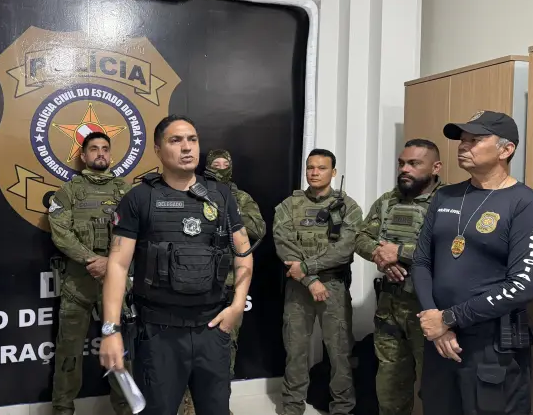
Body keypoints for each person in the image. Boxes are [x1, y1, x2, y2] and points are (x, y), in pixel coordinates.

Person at [98, 115, 255, 415]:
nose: (187, 147)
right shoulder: (139, 198)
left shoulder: (221, 195)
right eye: (176, 140)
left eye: (192, 139)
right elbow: (117, 265)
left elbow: (244, 252)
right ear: (158, 150)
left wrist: (237, 306)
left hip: (212, 329)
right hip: (159, 334)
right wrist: (110, 330)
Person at [412, 111, 533, 415]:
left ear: (506, 149)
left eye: (475, 140)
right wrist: (436, 321)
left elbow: (521, 286)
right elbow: (421, 261)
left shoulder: (527, 204)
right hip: (439, 338)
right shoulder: (445, 196)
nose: (463, 146)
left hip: (491, 347)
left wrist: (449, 318)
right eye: (462, 140)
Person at [354, 139, 444, 415]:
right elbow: (361, 237)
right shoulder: (388, 201)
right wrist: (380, 256)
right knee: (390, 387)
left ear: (435, 168)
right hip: (390, 308)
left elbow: (451, 250)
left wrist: (400, 252)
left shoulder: (449, 203)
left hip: (428, 310)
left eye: (414, 163)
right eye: (401, 163)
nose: (405, 169)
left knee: (436, 388)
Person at [48, 132, 132, 415]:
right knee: (68, 353)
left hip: (117, 285)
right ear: (83, 156)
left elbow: (140, 232)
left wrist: (111, 263)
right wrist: (92, 259)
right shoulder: (69, 191)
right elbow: (60, 232)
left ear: (111, 155)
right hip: (78, 285)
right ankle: (62, 409)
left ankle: (126, 408)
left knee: (122, 353)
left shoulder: (126, 192)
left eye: (105, 148)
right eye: (94, 149)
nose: (100, 153)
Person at [273, 148, 362, 415]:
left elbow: (345, 248)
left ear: (333, 172)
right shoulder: (289, 205)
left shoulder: (348, 207)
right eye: (310, 167)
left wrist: (307, 268)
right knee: (295, 350)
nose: (314, 173)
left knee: (340, 352)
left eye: (321, 168)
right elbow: (283, 244)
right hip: (299, 288)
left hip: (333, 286)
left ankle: (342, 408)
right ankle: (292, 408)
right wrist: (310, 279)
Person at [181, 149, 267, 415]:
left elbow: (258, 229)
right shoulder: (193, 191)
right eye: (215, 164)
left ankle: (218, 406)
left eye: (224, 163)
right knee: (188, 350)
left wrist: (230, 209)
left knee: (224, 350)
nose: (220, 167)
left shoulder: (240, 197)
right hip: (194, 282)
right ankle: (188, 407)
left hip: (228, 285)